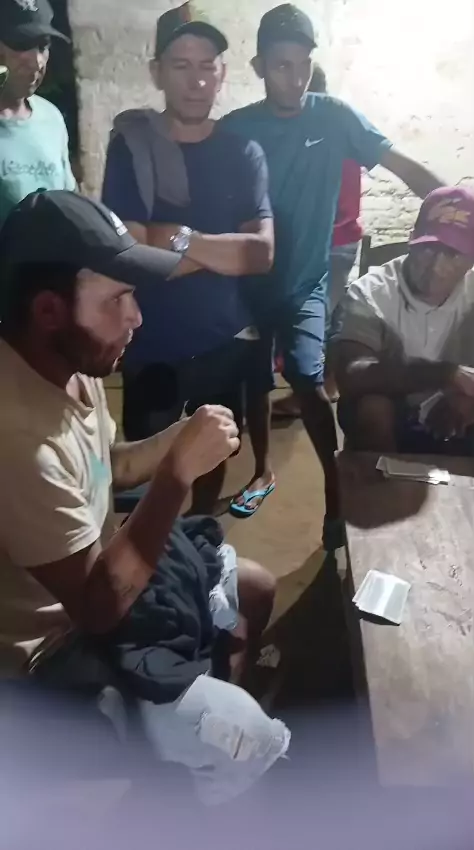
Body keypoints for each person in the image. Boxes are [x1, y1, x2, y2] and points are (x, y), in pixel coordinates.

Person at [0, 189, 289, 806]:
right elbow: (98, 607)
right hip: (50, 647)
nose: (136, 318)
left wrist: (173, 441)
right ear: (49, 310)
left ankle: (194, 730)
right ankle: (187, 785)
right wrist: (177, 474)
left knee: (257, 587)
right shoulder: (17, 439)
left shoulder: (69, 366)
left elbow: (109, 465)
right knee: (245, 737)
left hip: (102, 571)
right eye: (117, 299)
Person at [224, 3, 444, 549]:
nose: (295, 78)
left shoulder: (334, 117)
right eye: (282, 65)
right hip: (246, 286)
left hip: (305, 284)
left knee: (309, 379)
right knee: (253, 380)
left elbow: (404, 168)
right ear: (259, 66)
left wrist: (454, 212)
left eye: (303, 64)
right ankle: (262, 471)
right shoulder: (237, 128)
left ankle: (333, 488)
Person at [102, 2, 275, 517]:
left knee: (212, 455)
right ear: (157, 72)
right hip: (149, 341)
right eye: (181, 65)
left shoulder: (244, 153)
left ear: (222, 74)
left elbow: (261, 254)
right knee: (146, 470)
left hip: (222, 340)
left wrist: (176, 238)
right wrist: (224, 252)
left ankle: (199, 531)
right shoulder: (131, 148)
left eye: (206, 66)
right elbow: (132, 251)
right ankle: (153, 553)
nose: (196, 81)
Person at [331, 186, 474, 455]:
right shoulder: (370, 294)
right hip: (394, 414)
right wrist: (445, 375)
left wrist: (468, 400)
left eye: (453, 254)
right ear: (411, 240)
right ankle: (381, 477)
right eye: (428, 249)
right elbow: (352, 373)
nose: (436, 267)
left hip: (459, 417)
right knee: (371, 409)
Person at [272, 61, 363, 416]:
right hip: (343, 238)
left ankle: (310, 395)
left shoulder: (316, 134)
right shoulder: (340, 128)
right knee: (328, 313)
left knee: (312, 319)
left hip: (328, 240)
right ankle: (329, 385)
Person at [0, 0, 76, 227]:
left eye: (43, 46)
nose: (37, 61)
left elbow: (71, 201)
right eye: (22, 44)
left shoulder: (51, 117)